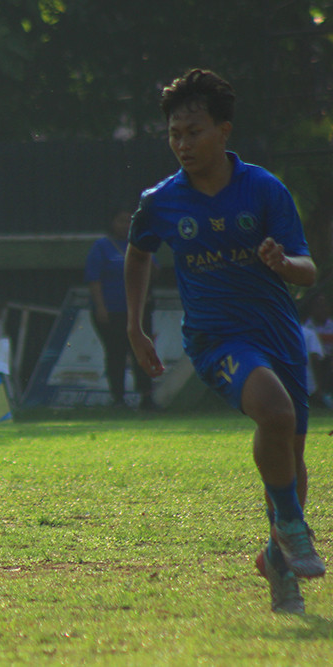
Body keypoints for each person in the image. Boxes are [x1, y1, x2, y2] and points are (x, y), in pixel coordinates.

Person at [124, 68, 324, 615]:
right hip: (216, 337)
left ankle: (278, 565)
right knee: (276, 414)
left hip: (277, 333)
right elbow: (139, 250)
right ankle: (289, 525)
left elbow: (308, 270)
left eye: (193, 131)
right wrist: (134, 325)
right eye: (174, 134)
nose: (182, 144)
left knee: (291, 454)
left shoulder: (264, 189)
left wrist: (284, 262)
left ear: (224, 131)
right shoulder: (161, 201)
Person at [85, 207, 156, 409]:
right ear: (112, 223)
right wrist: (100, 307)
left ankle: (147, 397)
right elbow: (93, 279)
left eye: (129, 221)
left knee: (142, 352)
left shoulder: (139, 244)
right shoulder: (102, 246)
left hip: (139, 310)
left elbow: (154, 271)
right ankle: (118, 398)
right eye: (121, 221)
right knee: (116, 352)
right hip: (112, 310)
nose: (125, 226)